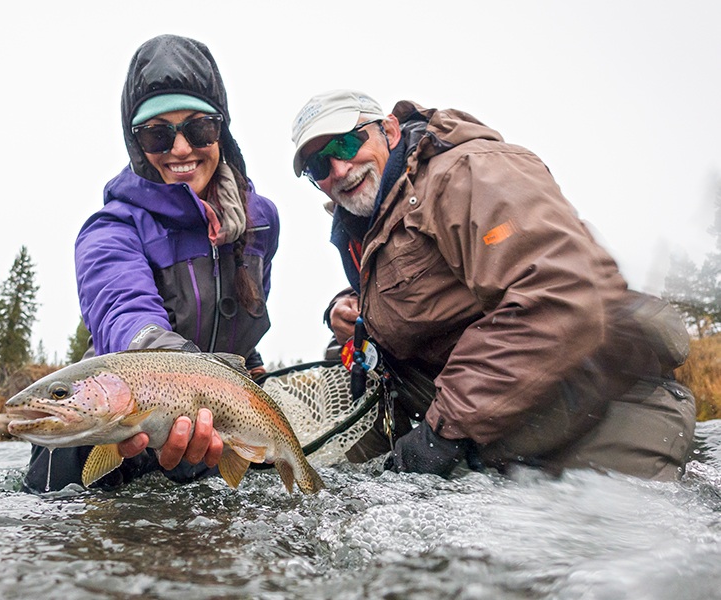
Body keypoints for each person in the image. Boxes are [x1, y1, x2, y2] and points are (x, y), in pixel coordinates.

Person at [290, 89, 695, 481]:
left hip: (603, 415)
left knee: (611, 546)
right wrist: (350, 307)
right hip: (507, 427)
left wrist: (441, 434)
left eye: (345, 145)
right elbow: (428, 294)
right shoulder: (369, 219)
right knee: (344, 366)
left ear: (390, 131)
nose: (339, 170)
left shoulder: (468, 173)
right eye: (320, 167)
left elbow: (561, 295)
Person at [23, 35, 280, 492]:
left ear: (222, 130)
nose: (181, 149)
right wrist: (180, 372)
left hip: (211, 428)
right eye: (158, 133)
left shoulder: (260, 222)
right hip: (108, 425)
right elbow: (124, 312)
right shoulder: (110, 228)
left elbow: (245, 326)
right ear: (137, 143)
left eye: (199, 128)